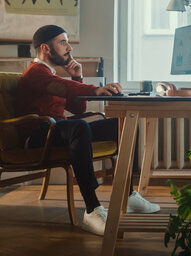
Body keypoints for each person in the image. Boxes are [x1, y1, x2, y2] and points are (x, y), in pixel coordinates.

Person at [16, 25, 160, 236]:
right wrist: (95, 89)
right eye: (63, 42)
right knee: (80, 127)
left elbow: (77, 107)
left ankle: (127, 195)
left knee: (120, 124)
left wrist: (77, 77)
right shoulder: (36, 73)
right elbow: (61, 88)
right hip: (38, 135)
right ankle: (92, 209)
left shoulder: (50, 75)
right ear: (46, 48)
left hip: (57, 130)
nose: (69, 48)